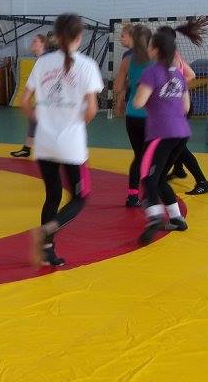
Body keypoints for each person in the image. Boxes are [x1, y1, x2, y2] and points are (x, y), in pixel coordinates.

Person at [22, 14, 104, 267]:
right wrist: (76, 125)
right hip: (71, 144)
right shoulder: (87, 65)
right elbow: (92, 109)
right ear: (79, 37)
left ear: (56, 37)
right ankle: (47, 230)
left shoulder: (42, 63)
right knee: (81, 197)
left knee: (53, 194)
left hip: (44, 141)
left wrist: (42, 120)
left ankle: (47, 251)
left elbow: (24, 101)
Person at [131, 26, 193, 246]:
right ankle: (177, 219)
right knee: (158, 178)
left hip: (161, 133)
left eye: (150, 46)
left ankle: (155, 217)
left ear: (156, 50)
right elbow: (186, 107)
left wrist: (143, 97)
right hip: (181, 133)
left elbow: (138, 102)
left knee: (147, 177)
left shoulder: (152, 72)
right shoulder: (178, 74)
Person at [161, 21, 208, 196]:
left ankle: (202, 181)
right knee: (177, 145)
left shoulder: (172, 58)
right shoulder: (172, 55)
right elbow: (190, 74)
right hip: (179, 106)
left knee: (179, 147)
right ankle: (178, 169)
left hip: (179, 107)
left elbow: (187, 76)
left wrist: (174, 88)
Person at [113, 25, 153, 207]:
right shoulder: (156, 60)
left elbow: (117, 87)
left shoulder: (127, 60)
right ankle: (150, 194)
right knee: (151, 157)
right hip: (152, 116)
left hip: (132, 115)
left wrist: (125, 93)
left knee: (139, 156)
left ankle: (132, 195)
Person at [10, 33, 49, 159]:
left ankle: (54, 151)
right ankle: (26, 149)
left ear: (43, 44)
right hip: (44, 100)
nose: (32, 43)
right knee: (33, 121)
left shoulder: (45, 60)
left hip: (50, 101)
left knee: (43, 123)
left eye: (35, 41)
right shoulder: (41, 60)